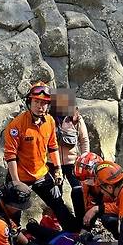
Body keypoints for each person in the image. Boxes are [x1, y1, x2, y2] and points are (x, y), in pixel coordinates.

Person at [3, 81, 78, 231]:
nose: (40, 106)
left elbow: (52, 146)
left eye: (44, 103)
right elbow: (10, 156)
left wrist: (58, 169)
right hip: (20, 175)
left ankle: (75, 235)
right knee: (12, 212)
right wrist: (16, 182)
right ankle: (12, 242)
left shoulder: (49, 121)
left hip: (41, 174)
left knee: (58, 204)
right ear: (29, 102)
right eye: (36, 101)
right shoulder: (16, 126)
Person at [50, 88, 90, 224]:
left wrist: (85, 159)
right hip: (53, 164)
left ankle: (81, 220)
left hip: (72, 163)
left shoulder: (76, 119)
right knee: (56, 193)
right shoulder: (49, 119)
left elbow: (84, 140)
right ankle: (62, 222)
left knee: (78, 190)